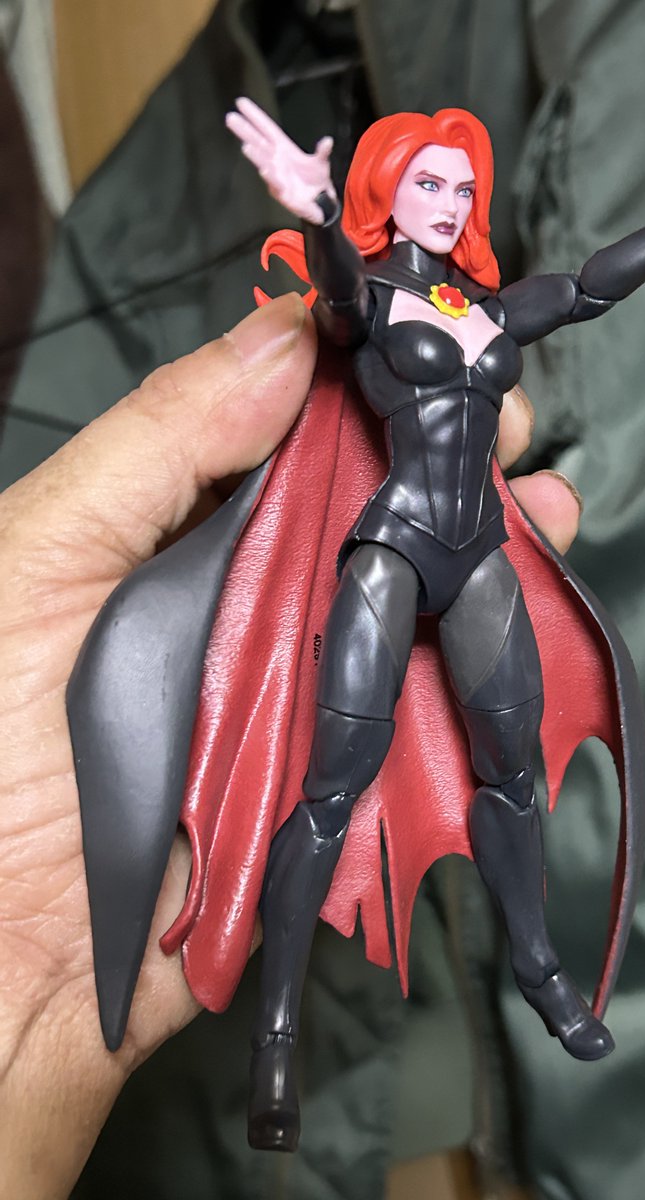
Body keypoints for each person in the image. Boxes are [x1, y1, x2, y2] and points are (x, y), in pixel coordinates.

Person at [0, 292, 581, 1194]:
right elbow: (341, 290)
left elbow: (586, 290)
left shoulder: (484, 304)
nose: (448, 212)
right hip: (389, 548)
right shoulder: (376, 296)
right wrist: (319, 214)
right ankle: (275, 1039)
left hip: (480, 553)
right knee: (329, 791)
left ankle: (541, 970)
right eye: (429, 191)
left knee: (512, 775)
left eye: (462, 200)